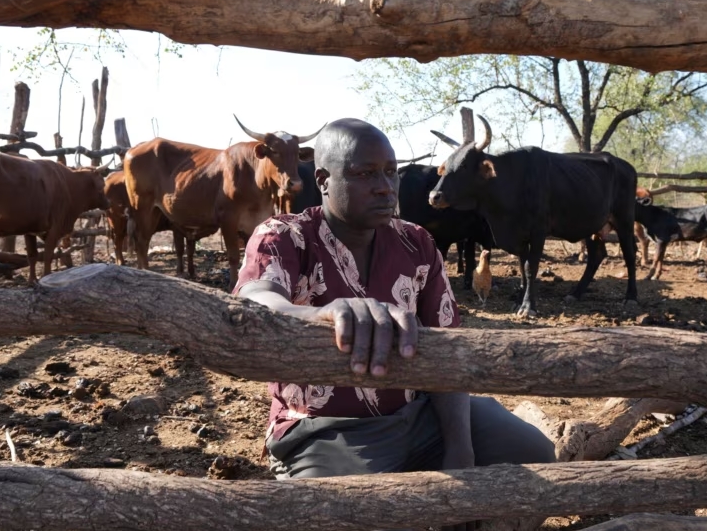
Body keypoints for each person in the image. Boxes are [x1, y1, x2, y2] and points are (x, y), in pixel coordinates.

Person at [234, 118, 555, 531]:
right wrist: (318, 314)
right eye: (365, 174)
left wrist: (460, 450)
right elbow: (257, 301)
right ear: (323, 180)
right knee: (353, 517)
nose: (385, 186)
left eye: (391, 171)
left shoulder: (416, 242)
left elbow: (446, 350)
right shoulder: (285, 236)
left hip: (419, 414)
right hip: (326, 429)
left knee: (535, 455)